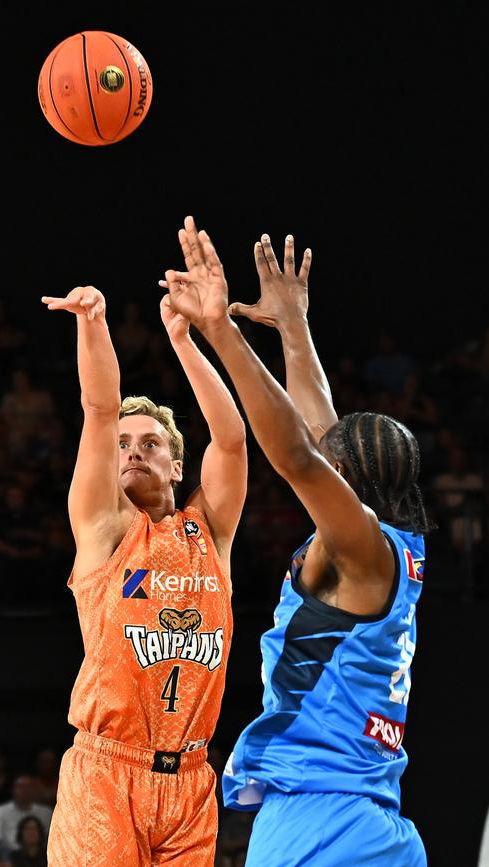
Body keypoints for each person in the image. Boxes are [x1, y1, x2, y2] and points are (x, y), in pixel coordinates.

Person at [160, 217, 432, 866]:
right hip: (361, 817)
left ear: (346, 479)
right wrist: (293, 323)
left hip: (324, 820)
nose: (324, 435)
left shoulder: (361, 545)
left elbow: (299, 452)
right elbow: (315, 423)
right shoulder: (383, 545)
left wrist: (222, 330)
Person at [40, 265, 247, 866]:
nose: (133, 451)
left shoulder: (211, 533)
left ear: (177, 467)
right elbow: (100, 409)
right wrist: (93, 324)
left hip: (190, 781)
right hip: (108, 771)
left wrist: (184, 339)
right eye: (126, 446)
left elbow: (230, 439)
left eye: (151, 442)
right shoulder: (102, 528)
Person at [0, 777, 51, 853]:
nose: (24, 790)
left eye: (28, 787)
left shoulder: (46, 813)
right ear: (13, 790)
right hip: (7, 856)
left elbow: (52, 839)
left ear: (34, 790)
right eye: (20, 786)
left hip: (40, 856)